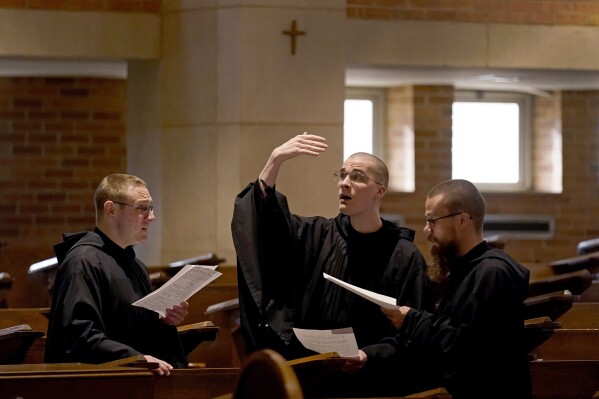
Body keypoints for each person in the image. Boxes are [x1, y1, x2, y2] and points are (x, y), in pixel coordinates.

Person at [231, 132, 434, 362]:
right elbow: (265, 221)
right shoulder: (317, 235)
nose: (344, 183)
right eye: (343, 174)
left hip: (372, 377)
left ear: (380, 191)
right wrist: (274, 160)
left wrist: (368, 356)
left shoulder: (404, 256)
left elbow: (415, 331)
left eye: (357, 177)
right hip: (314, 366)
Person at [346, 179, 532, 399]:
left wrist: (411, 320)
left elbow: (464, 350)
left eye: (432, 221)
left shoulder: (492, 273)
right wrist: (370, 355)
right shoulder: (467, 270)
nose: (426, 230)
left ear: (463, 220)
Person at [45, 173, 189, 376]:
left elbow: (132, 330)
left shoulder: (136, 265)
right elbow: (79, 336)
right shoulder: (82, 262)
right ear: (111, 209)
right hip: (94, 385)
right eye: (142, 208)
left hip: (134, 381)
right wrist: (134, 358)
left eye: (151, 208)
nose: (151, 216)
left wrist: (163, 322)